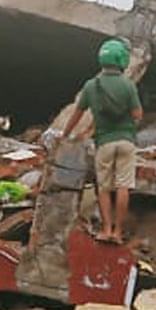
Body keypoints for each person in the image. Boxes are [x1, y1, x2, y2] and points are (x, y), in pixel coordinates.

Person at [61, 37, 142, 244]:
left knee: (104, 187)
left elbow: (77, 113)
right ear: (122, 60)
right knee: (123, 186)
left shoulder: (91, 86)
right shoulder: (128, 85)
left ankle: (106, 229)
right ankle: (117, 231)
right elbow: (137, 115)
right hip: (126, 141)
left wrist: (65, 135)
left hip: (104, 142)